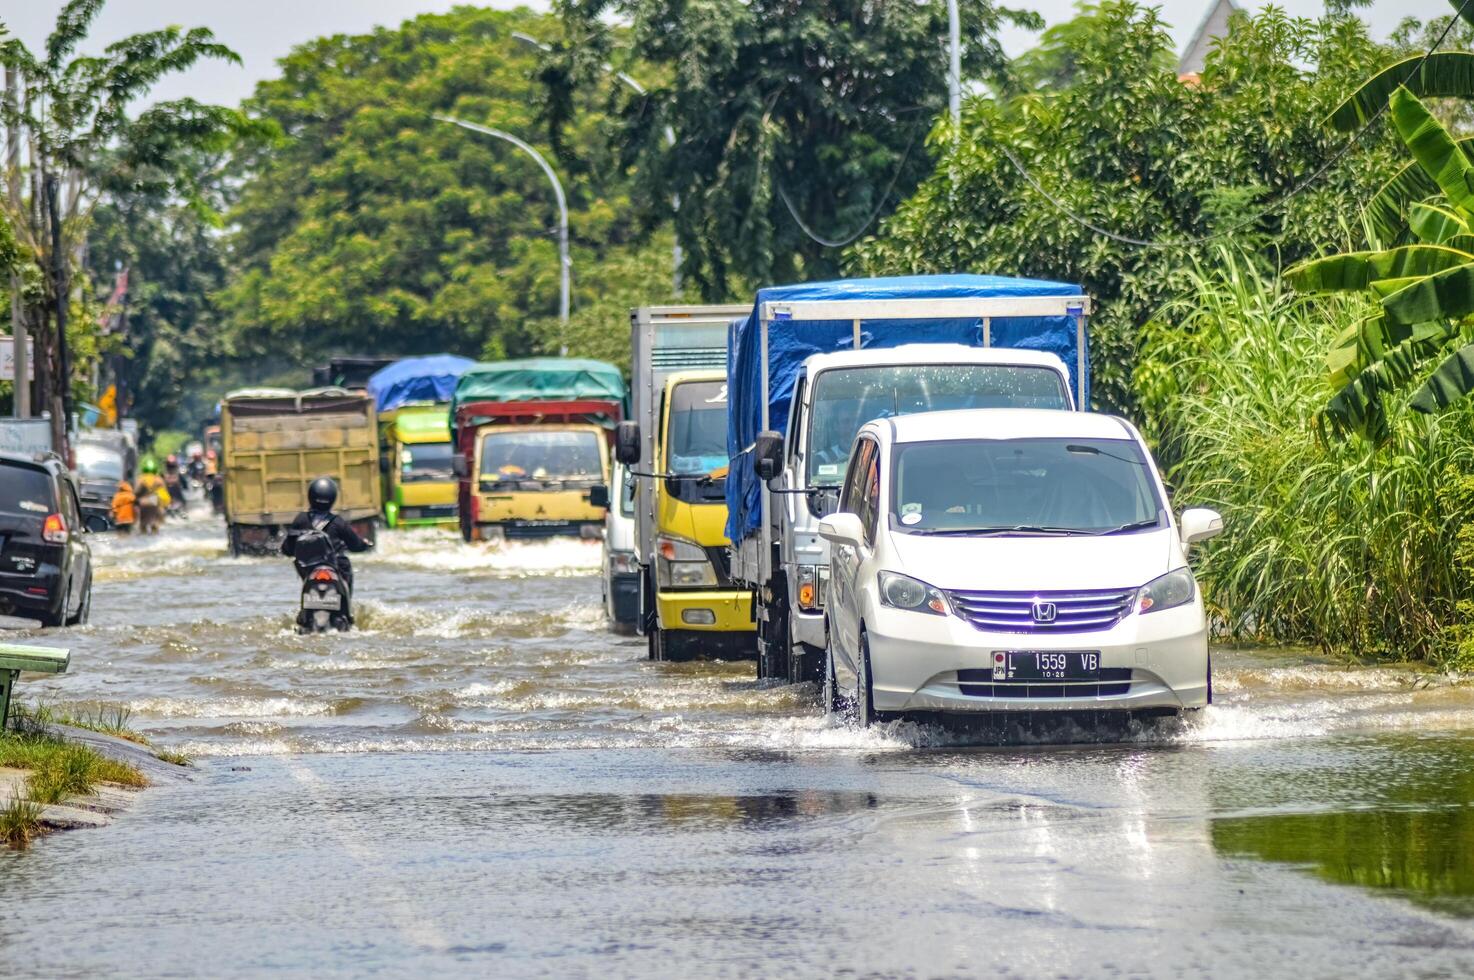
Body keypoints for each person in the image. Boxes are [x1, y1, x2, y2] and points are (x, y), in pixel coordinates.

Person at [281, 477, 369, 594]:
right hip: (336, 570)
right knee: (345, 566)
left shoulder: (301, 519)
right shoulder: (338, 522)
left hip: (309, 571)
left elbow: (287, 549)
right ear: (332, 498)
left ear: (311, 496)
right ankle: (346, 603)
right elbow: (355, 545)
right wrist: (365, 545)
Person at [135, 459, 168, 534]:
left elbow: (136, 492)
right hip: (155, 502)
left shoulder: (141, 479)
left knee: (143, 526)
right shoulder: (159, 479)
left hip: (143, 503)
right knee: (155, 525)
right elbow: (164, 494)